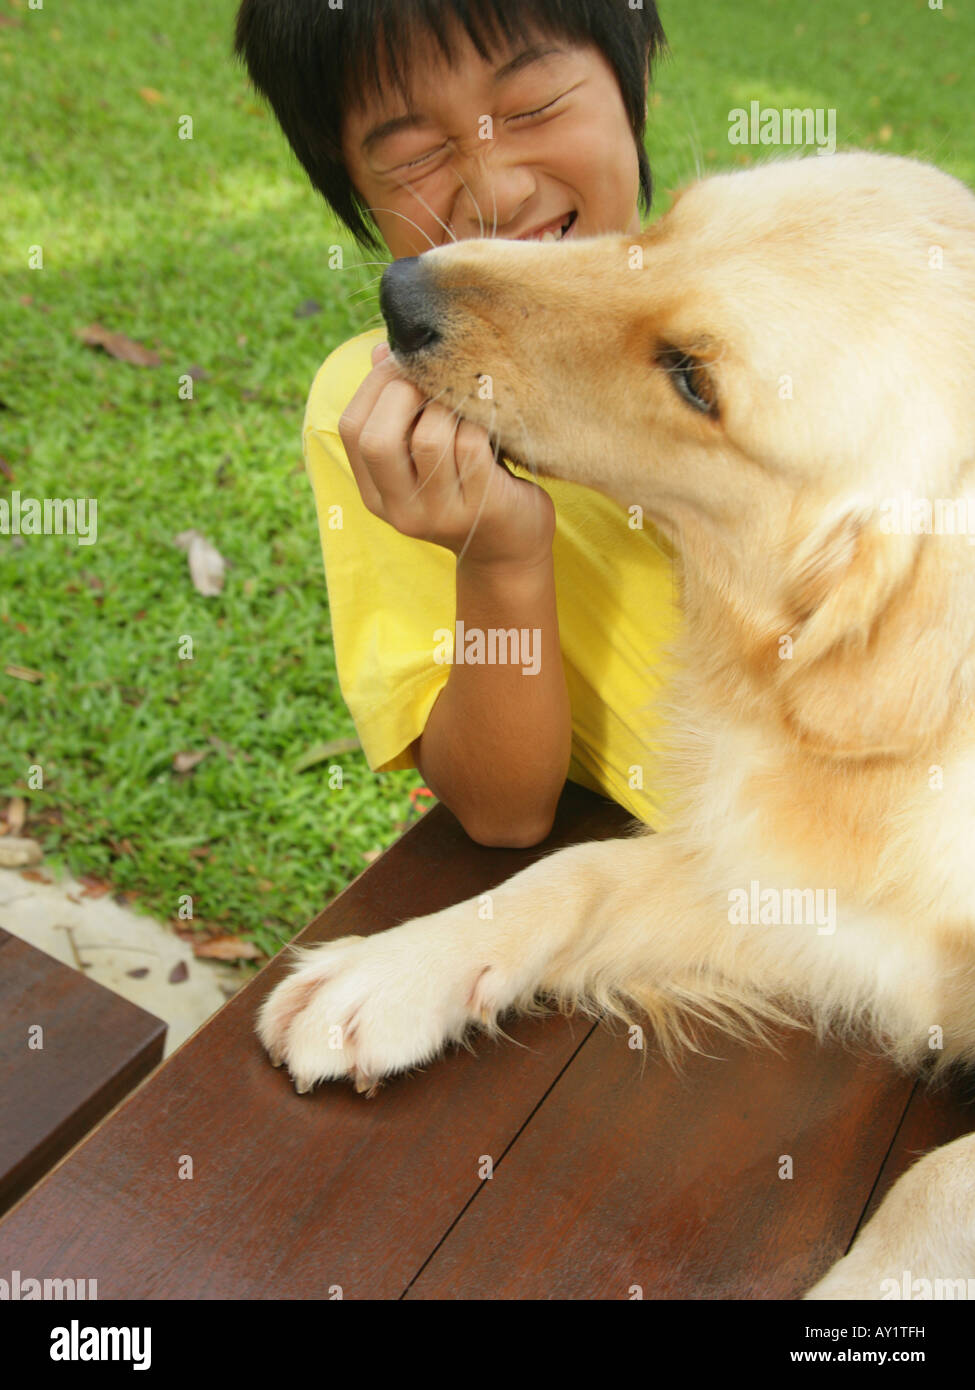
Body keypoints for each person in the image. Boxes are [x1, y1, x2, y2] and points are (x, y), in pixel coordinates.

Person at [234, 0, 679, 846]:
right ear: (351, 189)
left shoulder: (748, 281)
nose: (495, 189)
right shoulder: (386, 424)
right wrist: (499, 559)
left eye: (534, 108)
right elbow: (501, 808)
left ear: (635, 80)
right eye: (416, 156)